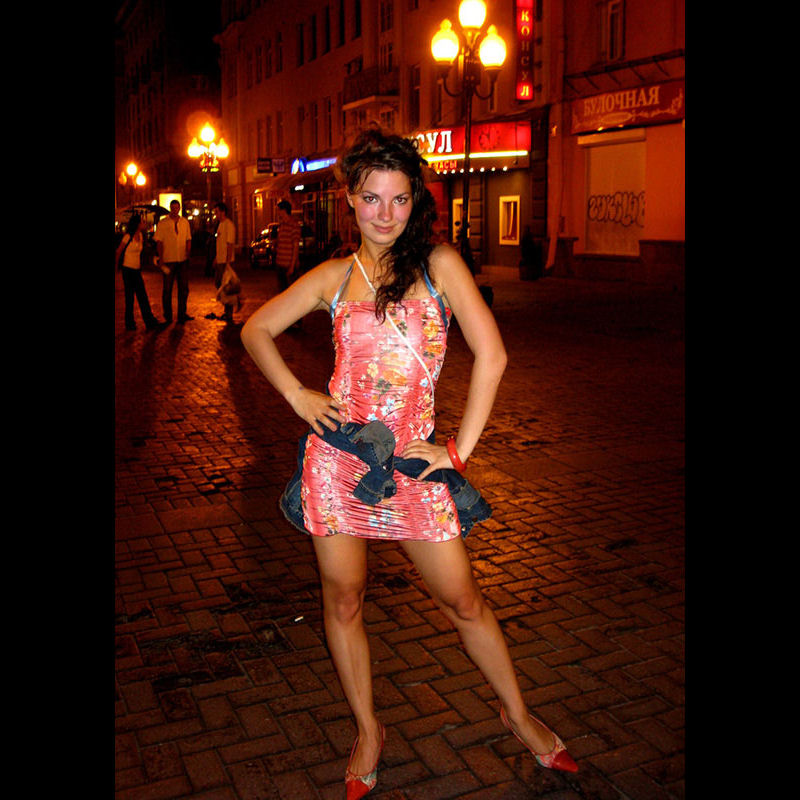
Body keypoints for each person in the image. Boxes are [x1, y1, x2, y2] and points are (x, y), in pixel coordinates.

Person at [241, 129, 577, 799]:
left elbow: (493, 356)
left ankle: (517, 714)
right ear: (350, 199)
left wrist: (457, 452)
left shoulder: (438, 266)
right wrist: (297, 394)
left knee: (464, 600)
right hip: (338, 463)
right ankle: (368, 730)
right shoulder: (334, 276)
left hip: (414, 471)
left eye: (399, 199)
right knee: (344, 599)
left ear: (415, 201)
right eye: (372, 198)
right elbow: (255, 329)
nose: (386, 214)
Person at [115, 213, 163, 331]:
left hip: (136, 269)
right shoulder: (128, 236)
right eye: (142, 222)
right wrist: (116, 267)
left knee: (142, 296)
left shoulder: (141, 236)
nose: (143, 224)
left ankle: (149, 321)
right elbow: (118, 252)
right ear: (137, 224)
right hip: (127, 269)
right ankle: (130, 323)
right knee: (130, 296)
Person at [154, 199, 193, 323]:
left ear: (179, 208)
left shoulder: (184, 222)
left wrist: (188, 252)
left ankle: (182, 313)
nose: (175, 210)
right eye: (173, 208)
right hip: (169, 259)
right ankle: (168, 315)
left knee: (184, 288)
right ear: (170, 209)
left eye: (177, 208)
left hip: (182, 259)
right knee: (167, 289)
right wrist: (161, 258)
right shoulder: (163, 223)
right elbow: (159, 242)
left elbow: (188, 239)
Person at [212, 202, 237, 324]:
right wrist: (216, 258)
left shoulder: (229, 225)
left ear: (223, 212)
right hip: (220, 260)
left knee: (226, 286)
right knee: (219, 284)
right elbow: (220, 244)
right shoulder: (220, 224)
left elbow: (229, 244)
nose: (215, 214)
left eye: (217, 212)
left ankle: (229, 312)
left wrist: (227, 262)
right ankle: (227, 310)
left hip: (226, 261)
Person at [274, 199, 301, 292]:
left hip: (288, 265)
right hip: (280, 264)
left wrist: (292, 266)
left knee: (291, 292)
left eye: (278, 210)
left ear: (283, 210)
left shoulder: (294, 225)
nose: (277, 212)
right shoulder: (282, 225)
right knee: (282, 291)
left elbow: (295, 246)